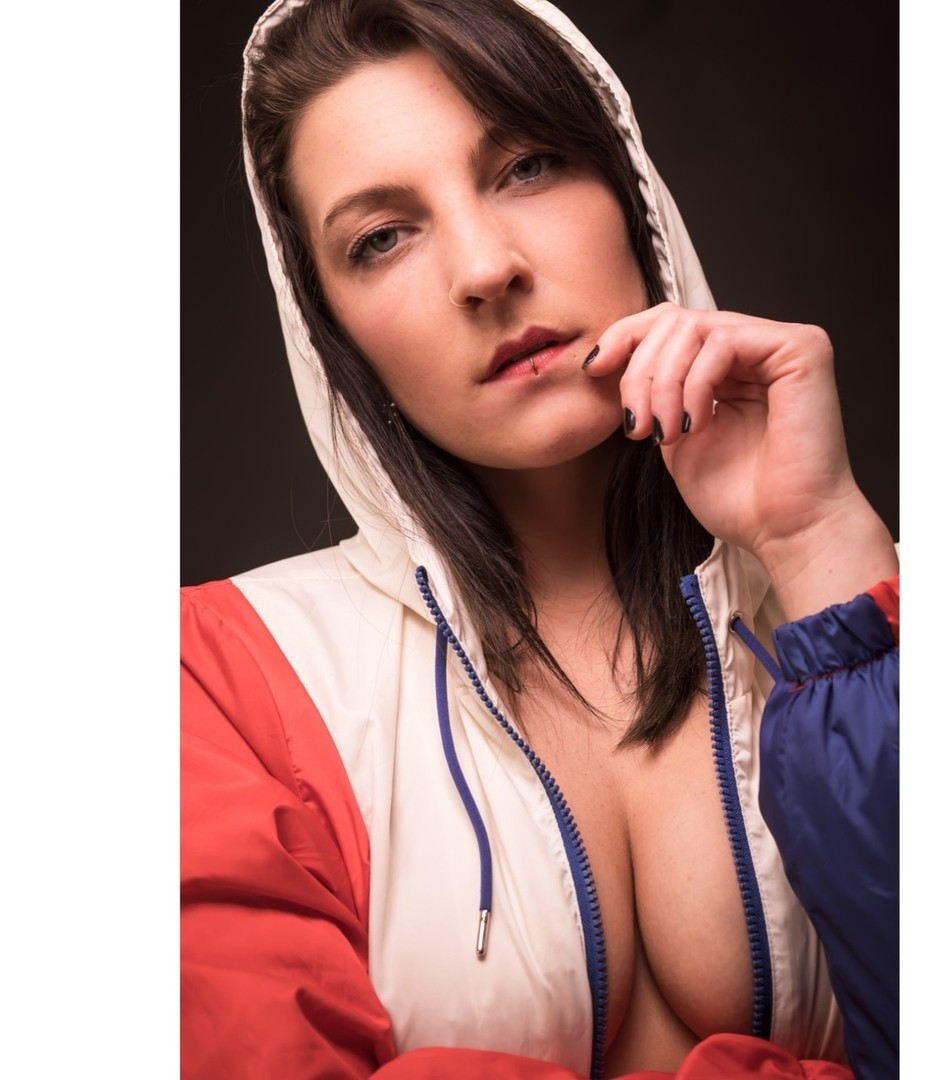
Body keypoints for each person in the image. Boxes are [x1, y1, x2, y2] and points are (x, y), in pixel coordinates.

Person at [180, 1, 899, 1077]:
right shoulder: (216, 683)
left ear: (631, 194)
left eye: (526, 166)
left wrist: (819, 543)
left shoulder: (870, 594)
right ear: (329, 329)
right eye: (382, 238)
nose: (485, 268)